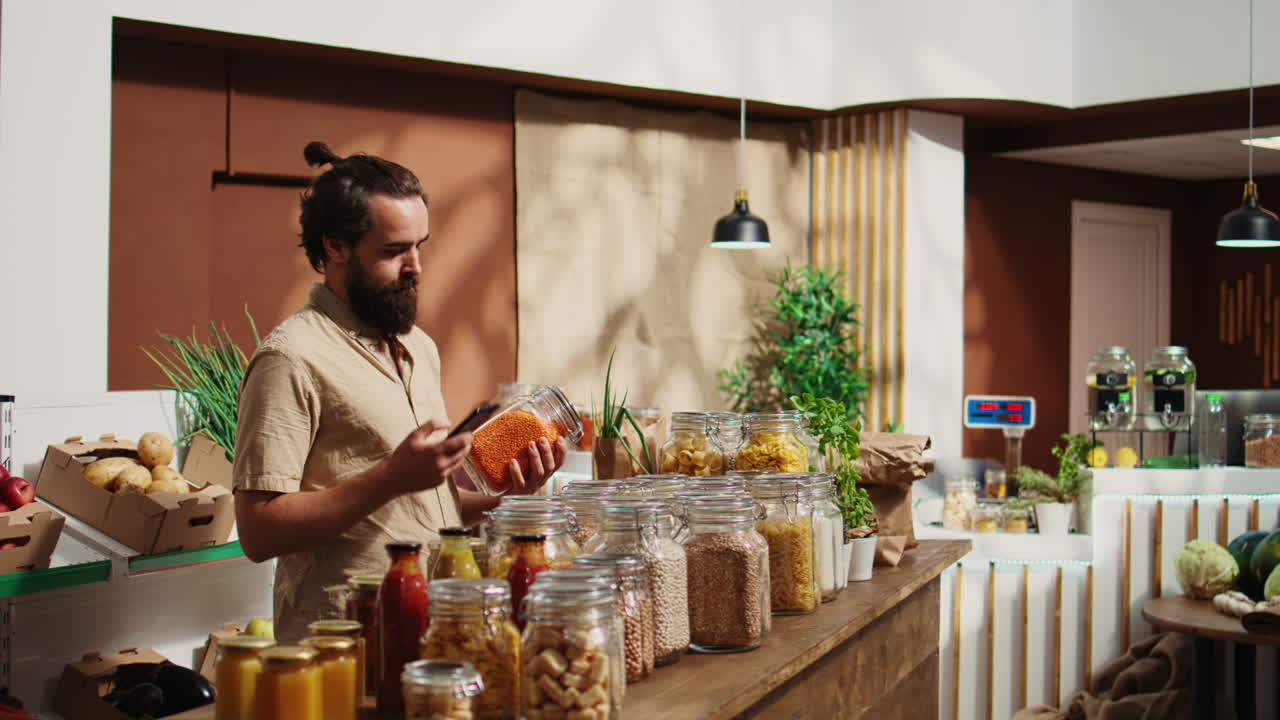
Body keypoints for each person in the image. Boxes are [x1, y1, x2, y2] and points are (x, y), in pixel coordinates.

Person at [232, 141, 566, 641]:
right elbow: (259, 531)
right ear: (335, 247)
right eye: (393, 251)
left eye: (420, 245)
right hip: (343, 641)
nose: (416, 266)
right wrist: (391, 476)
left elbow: (423, 505)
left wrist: (506, 498)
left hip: (431, 628)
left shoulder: (418, 347)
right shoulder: (291, 358)